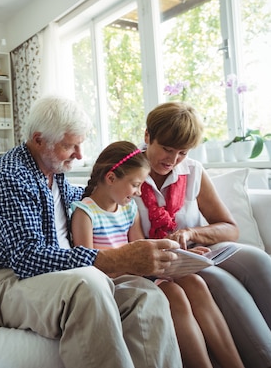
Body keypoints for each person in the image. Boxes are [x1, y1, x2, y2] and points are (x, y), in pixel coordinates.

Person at [0, 96, 182, 368]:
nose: (80, 155)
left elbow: (88, 198)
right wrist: (114, 259)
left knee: (145, 294)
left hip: (58, 275)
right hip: (3, 280)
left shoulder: (54, 172)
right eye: (70, 146)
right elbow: (27, 258)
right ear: (38, 139)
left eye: (80, 144)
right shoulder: (11, 174)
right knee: (88, 286)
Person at [134, 101, 271, 368]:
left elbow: (230, 228)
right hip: (167, 261)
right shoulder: (128, 172)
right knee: (222, 283)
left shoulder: (192, 170)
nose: (172, 160)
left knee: (260, 261)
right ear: (147, 137)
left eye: (182, 152)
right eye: (166, 150)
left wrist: (192, 232)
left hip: (197, 249)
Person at [71, 141, 245, 368]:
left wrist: (181, 254)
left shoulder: (128, 209)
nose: (138, 192)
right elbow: (89, 262)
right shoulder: (85, 212)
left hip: (137, 273)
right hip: (115, 280)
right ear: (111, 178)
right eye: (135, 185)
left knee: (192, 283)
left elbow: (142, 246)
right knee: (174, 294)